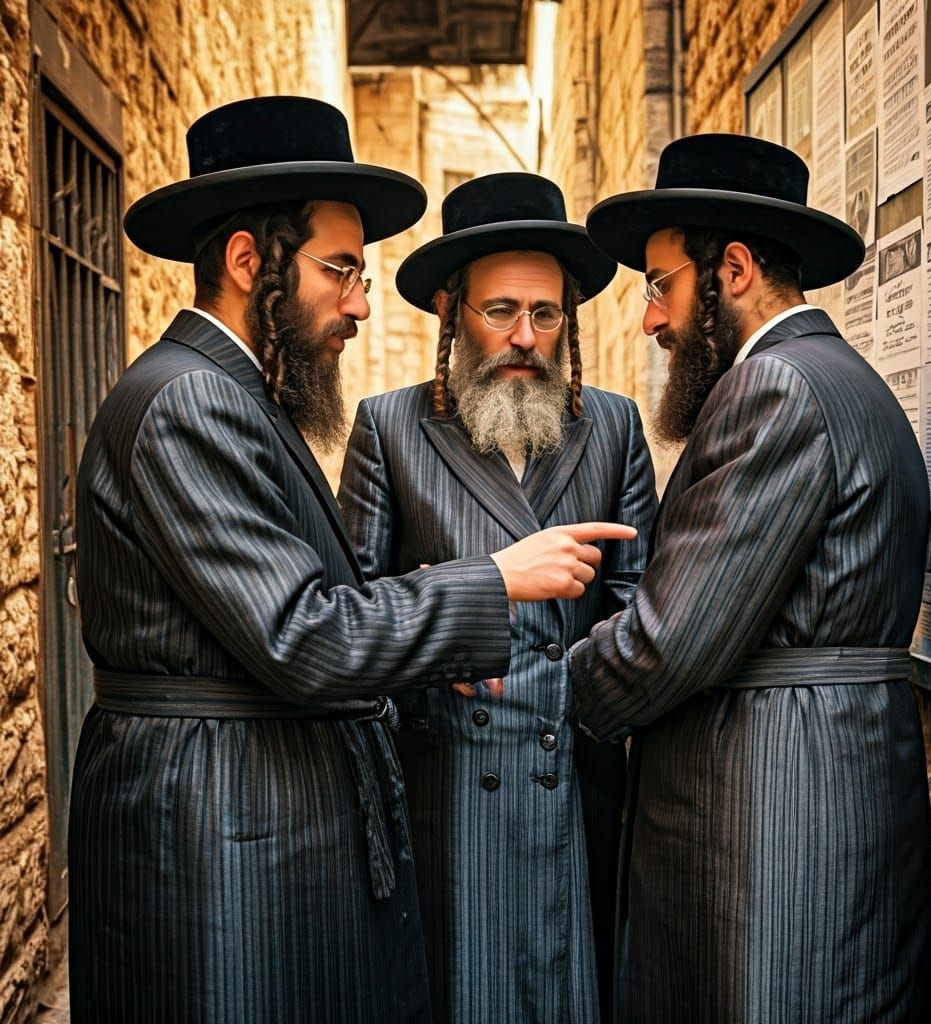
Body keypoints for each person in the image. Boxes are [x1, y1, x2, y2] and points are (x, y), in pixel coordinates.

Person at [69, 96, 634, 1023]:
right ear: (251, 261)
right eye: (342, 270)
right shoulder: (190, 403)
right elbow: (299, 630)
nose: (363, 303)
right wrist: (492, 579)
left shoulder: (231, 395)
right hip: (213, 835)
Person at [571, 133, 931, 1022]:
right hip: (819, 801)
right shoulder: (836, 377)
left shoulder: (771, 389)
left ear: (731, 269)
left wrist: (546, 678)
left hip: (777, 824)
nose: (650, 319)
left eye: (660, 286)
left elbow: (668, 642)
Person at [338, 172, 657, 1023]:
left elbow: (638, 604)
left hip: (575, 786)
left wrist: (570, 678)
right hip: (450, 794)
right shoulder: (389, 428)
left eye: (545, 314)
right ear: (452, 311)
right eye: (501, 311)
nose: (524, 336)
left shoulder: (615, 428)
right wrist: (448, 636)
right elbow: (354, 611)